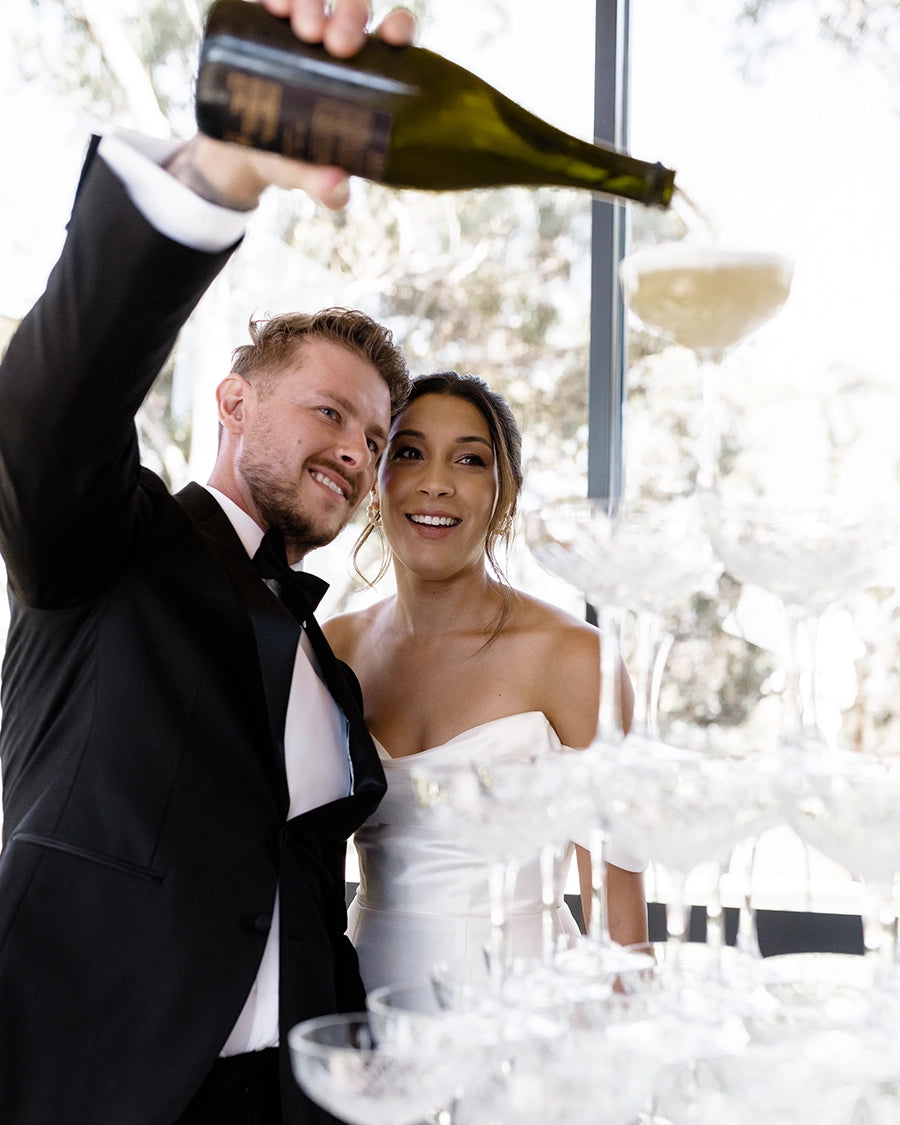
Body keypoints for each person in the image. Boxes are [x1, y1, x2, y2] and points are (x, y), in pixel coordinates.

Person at [0, 2, 418, 1123]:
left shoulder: (324, 667)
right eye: (332, 412)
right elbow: (54, 402)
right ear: (233, 402)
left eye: (374, 443)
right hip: (95, 1081)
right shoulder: (108, 549)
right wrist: (222, 172)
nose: (354, 454)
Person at [324, 371, 649, 994]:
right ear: (374, 479)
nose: (437, 483)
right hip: (363, 1007)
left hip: (529, 1020)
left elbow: (621, 938)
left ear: (506, 497)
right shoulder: (333, 648)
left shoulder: (574, 658)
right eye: (408, 452)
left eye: (469, 460)